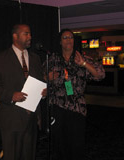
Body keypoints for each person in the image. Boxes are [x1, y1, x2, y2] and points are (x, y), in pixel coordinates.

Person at [0, 24, 46, 160]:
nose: (30, 37)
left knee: (29, 155)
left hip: (31, 118)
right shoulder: (1, 58)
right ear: (15, 36)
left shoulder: (35, 58)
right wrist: (10, 95)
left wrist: (43, 92)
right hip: (11, 118)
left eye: (30, 34)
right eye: (26, 34)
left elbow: (39, 81)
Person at [43, 29, 105, 160]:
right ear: (60, 42)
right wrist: (46, 77)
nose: (68, 40)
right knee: (58, 145)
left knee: (76, 145)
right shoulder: (52, 59)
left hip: (76, 108)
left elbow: (100, 75)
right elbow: (40, 79)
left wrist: (84, 64)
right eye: (65, 37)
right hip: (57, 107)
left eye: (71, 37)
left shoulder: (81, 57)